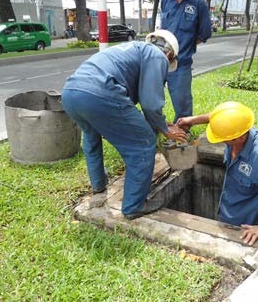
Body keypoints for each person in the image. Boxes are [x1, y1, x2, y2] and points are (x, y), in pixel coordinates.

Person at [61, 30, 187, 220]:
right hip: (100, 93)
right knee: (143, 143)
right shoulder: (157, 56)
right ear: (169, 54)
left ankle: (99, 185)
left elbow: (141, 104)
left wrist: (159, 121)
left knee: (91, 137)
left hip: (71, 93)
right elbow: (150, 103)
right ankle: (133, 206)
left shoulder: (133, 49)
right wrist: (165, 129)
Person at [177, 102, 258, 246]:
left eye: (223, 138)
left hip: (244, 228)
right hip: (226, 210)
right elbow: (216, 116)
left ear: (239, 138)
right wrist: (192, 120)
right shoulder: (238, 126)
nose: (221, 141)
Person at [160, 0, 212, 122]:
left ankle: (183, 131)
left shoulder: (199, 3)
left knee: (181, 101)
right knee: (152, 97)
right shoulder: (165, 0)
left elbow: (203, 33)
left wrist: (183, 46)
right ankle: (157, 128)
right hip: (160, 59)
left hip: (181, 63)